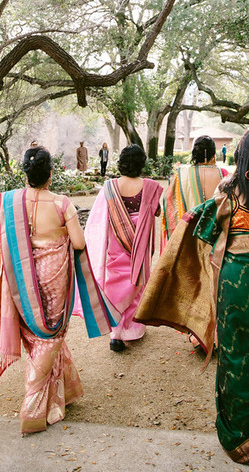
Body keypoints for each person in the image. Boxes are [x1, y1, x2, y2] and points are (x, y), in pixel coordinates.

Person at [136, 126, 249, 470]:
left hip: (238, 285)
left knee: (237, 350)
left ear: (242, 157)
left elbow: (204, 232)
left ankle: (244, 437)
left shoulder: (229, 195)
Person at [0, 146, 116, 434]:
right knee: (50, 337)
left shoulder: (10, 203)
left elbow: (3, 245)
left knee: (36, 337)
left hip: (20, 284)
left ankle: (63, 394)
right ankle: (33, 408)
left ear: (26, 172)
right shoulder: (62, 204)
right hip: (53, 280)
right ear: (50, 173)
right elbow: (78, 244)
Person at [84, 143, 162, 352]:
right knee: (136, 282)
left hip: (117, 243)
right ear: (141, 163)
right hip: (140, 242)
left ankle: (115, 331)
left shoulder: (110, 187)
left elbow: (100, 219)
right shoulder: (150, 186)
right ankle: (131, 329)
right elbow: (157, 212)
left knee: (116, 282)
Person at [161, 135, 229, 248]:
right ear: (213, 154)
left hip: (188, 236)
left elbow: (169, 204)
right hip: (215, 238)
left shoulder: (180, 174)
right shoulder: (224, 174)